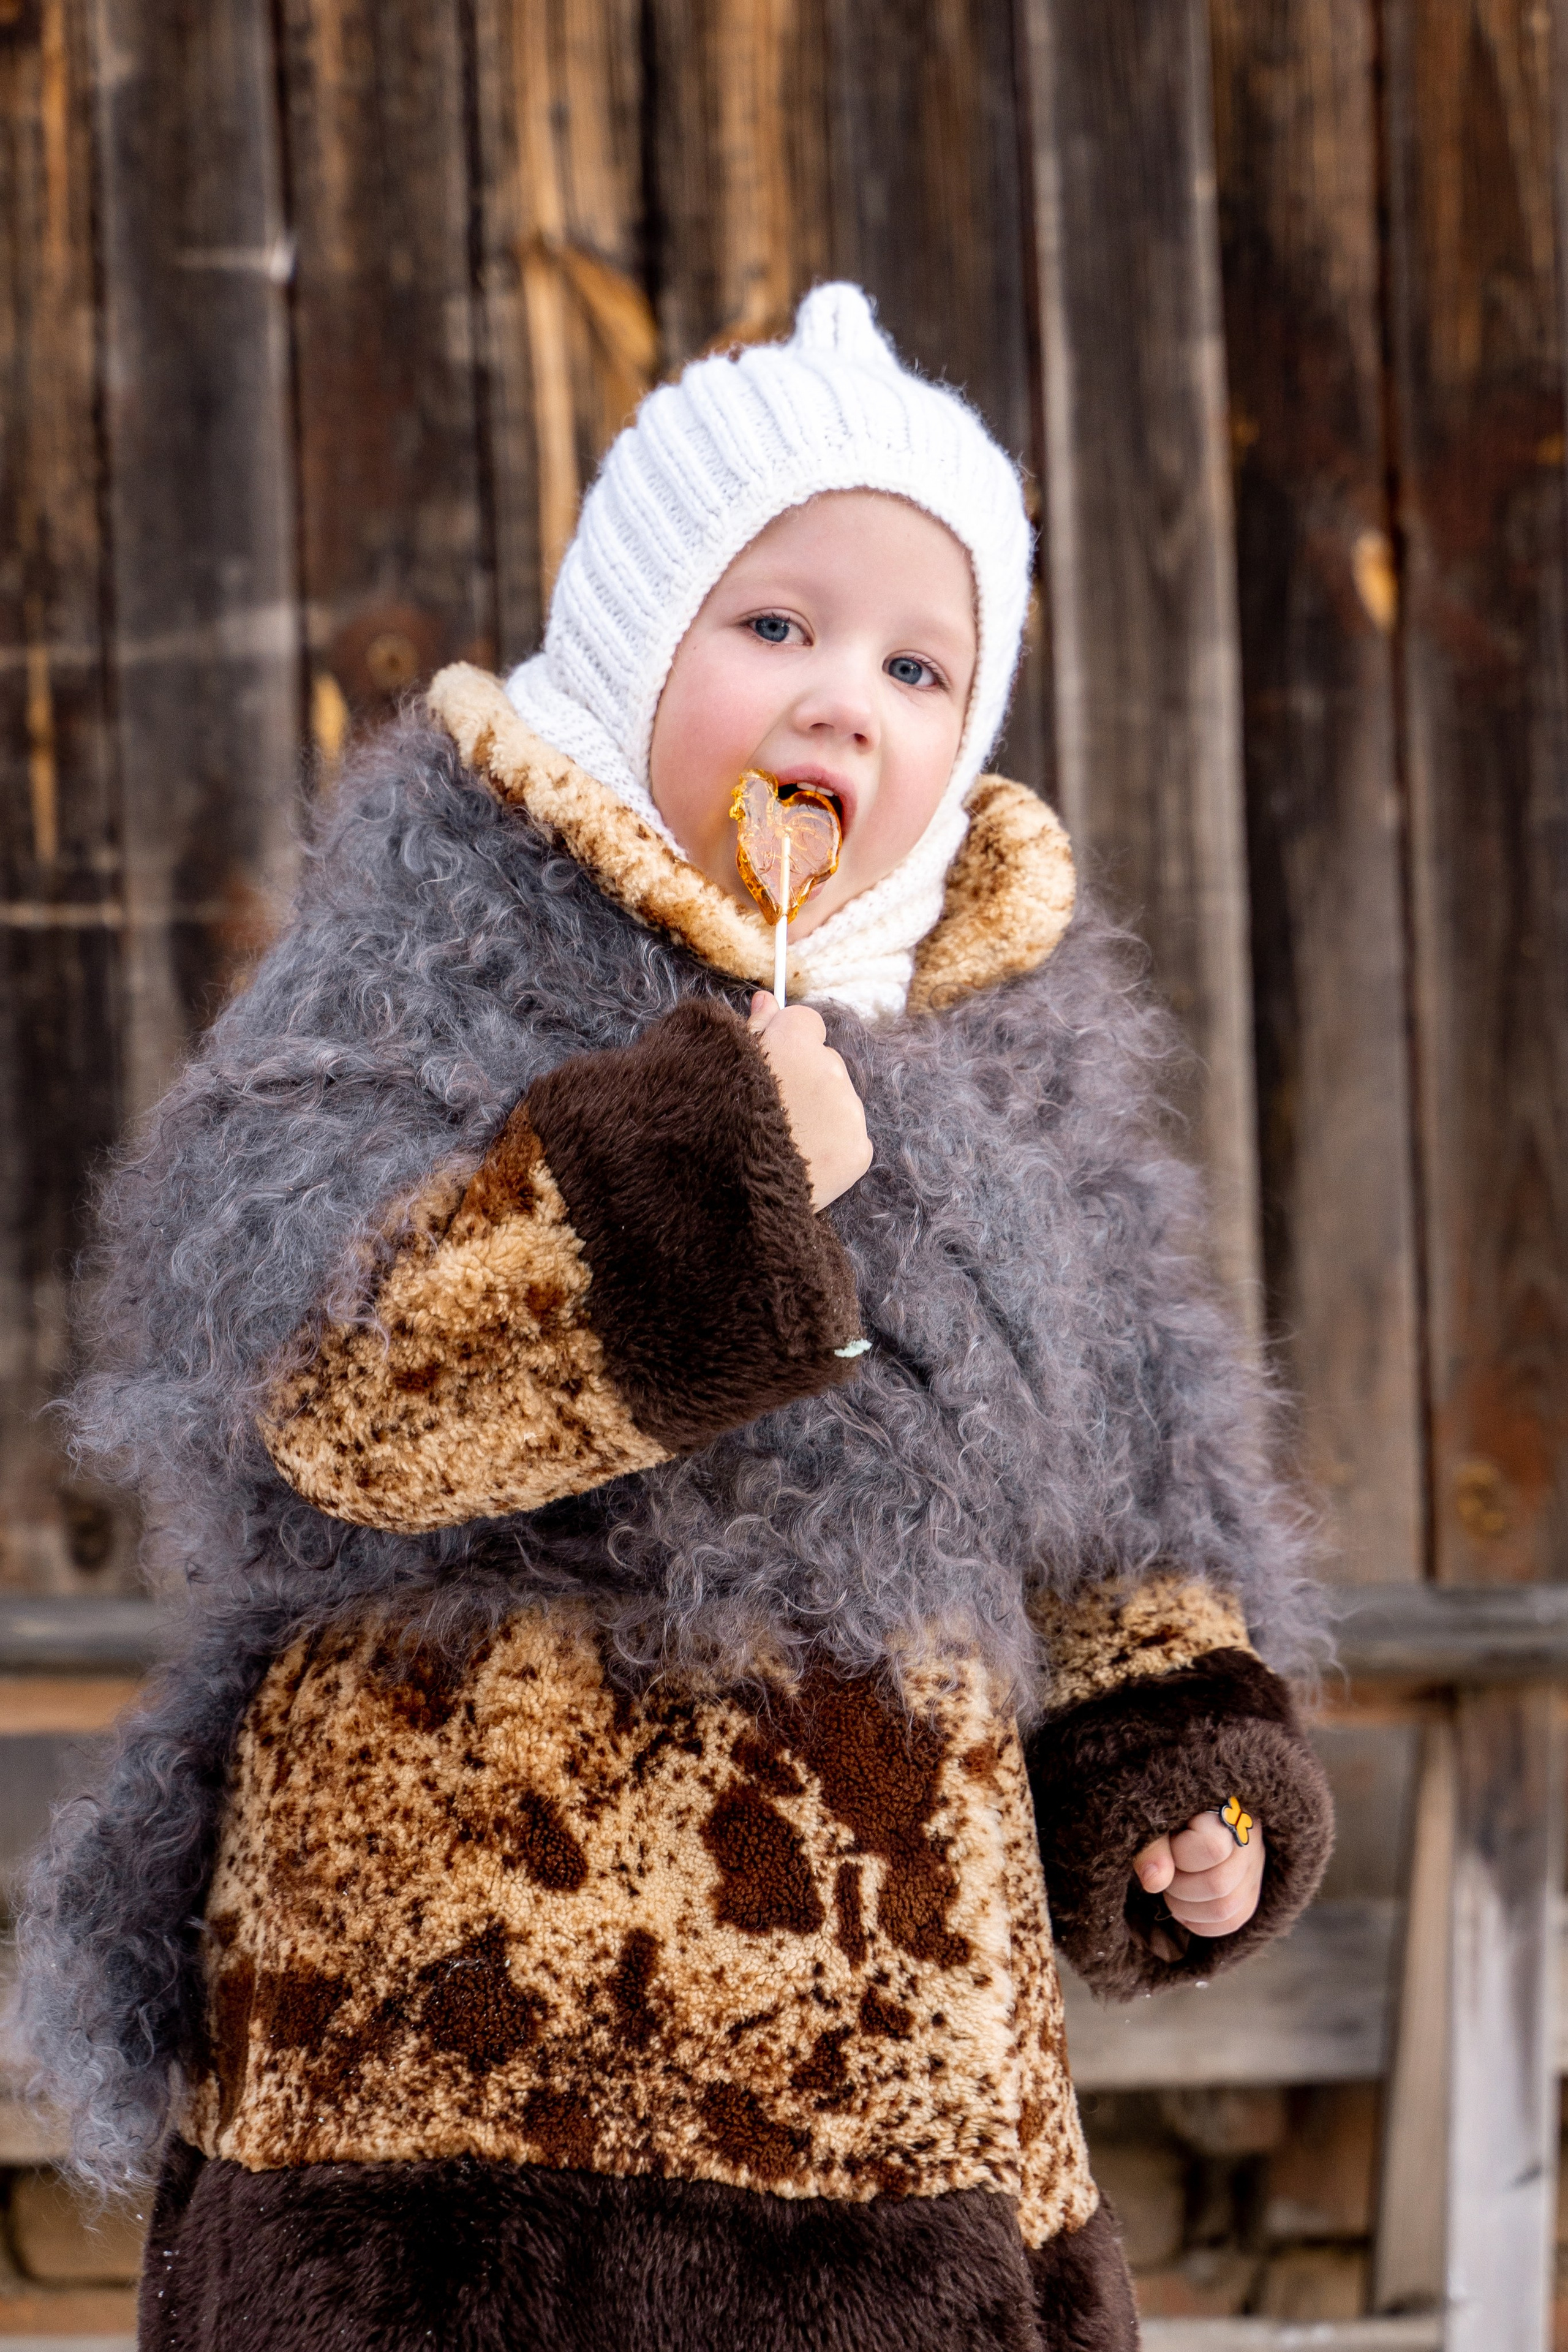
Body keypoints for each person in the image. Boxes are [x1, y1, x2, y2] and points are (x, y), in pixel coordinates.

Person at [21, 284, 1332, 2352]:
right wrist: (694, 1182)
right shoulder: (430, 951)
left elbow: (1124, 1472)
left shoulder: (1013, 1055)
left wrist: (1173, 1757)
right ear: (636, 641)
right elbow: (325, 1378)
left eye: (918, 663)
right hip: (446, 2055)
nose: (844, 703)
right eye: (777, 628)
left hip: (891, 2089)